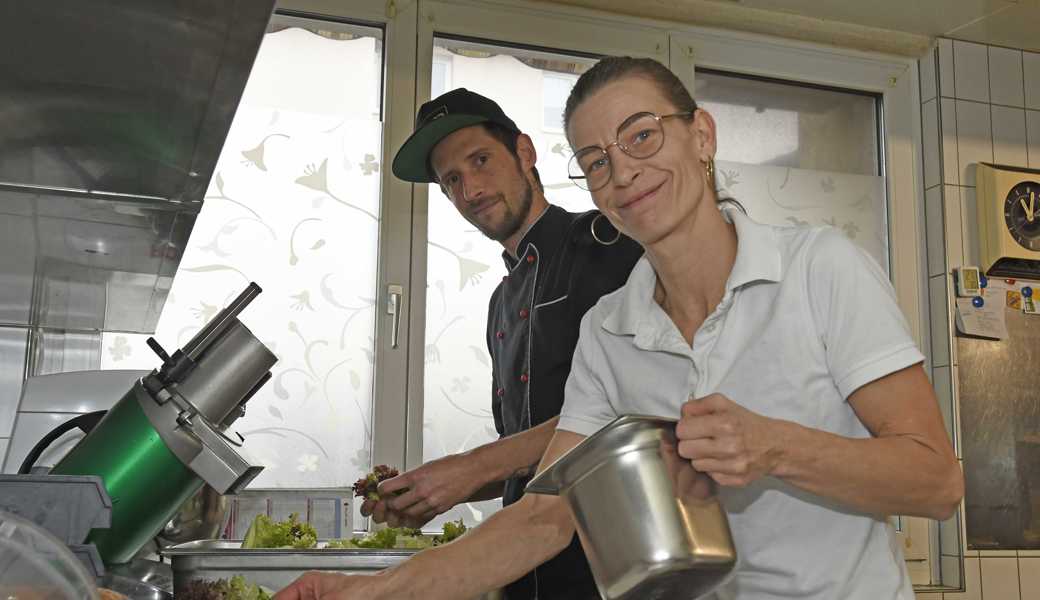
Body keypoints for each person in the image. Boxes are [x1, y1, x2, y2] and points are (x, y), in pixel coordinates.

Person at [275, 57, 964, 600]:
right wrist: (370, 592)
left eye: (642, 135)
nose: (624, 170)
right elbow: (547, 516)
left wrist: (774, 448)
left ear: (701, 136)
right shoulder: (610, 331)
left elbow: (936, 482)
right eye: (598, 159)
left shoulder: (819, 268)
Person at [367, 87, 642, 599]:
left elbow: (633, 412)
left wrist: (472, 467)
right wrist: (439, 491)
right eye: (451, 179)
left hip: (614, 573)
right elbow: (529, 460)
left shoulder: (609, 248)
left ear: (525, 152)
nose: (470, 189)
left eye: (481, 160)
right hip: (526, 572)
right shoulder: (499, 302)